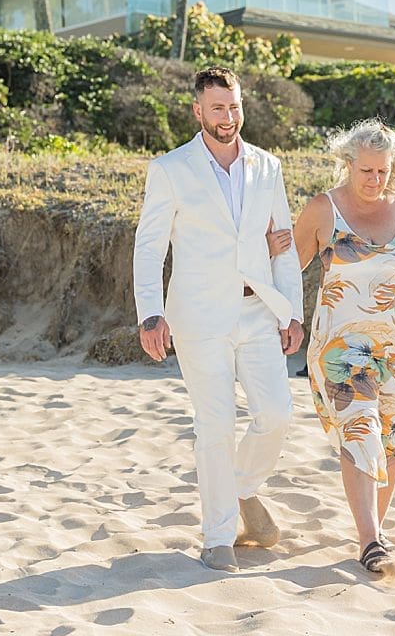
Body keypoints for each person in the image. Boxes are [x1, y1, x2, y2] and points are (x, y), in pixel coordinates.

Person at [132, 66, 304, 573]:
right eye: (217, 108)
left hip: (257, 312)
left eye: (234, 106)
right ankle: (218, 536)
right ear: (197, 111)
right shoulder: (170, 169)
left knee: (276, 414)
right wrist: (150, 314)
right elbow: (149, 246)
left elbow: (284, 245)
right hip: (198, 317)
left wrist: (292, 311)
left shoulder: (268, 166)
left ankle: (243, 487)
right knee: (216, 424)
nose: (228, 117)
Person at [268, 119, 395, 573]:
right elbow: (288, 269)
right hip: (342, 347)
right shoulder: (324, 210)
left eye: (382, 172)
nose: (374, 180)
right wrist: (287, 316)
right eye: (366, 171)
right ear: (348, 164)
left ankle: (372, 532)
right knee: (360, 430)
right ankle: (370, 541)